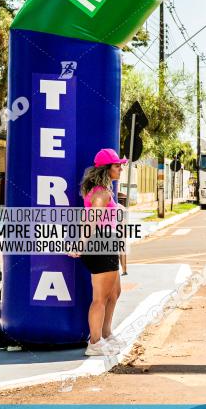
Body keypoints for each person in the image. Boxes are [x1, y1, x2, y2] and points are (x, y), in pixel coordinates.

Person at [74, 148, 128, 356]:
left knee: (114, 293)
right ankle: (95, 342)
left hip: (108, 242)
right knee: (100, 298)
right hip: (101, 244)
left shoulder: (104, 191)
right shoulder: (101, 193)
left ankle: (106, 334)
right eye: (117, 166)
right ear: (107, 169)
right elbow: (91, 220)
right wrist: (80, 244)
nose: (121, 169)